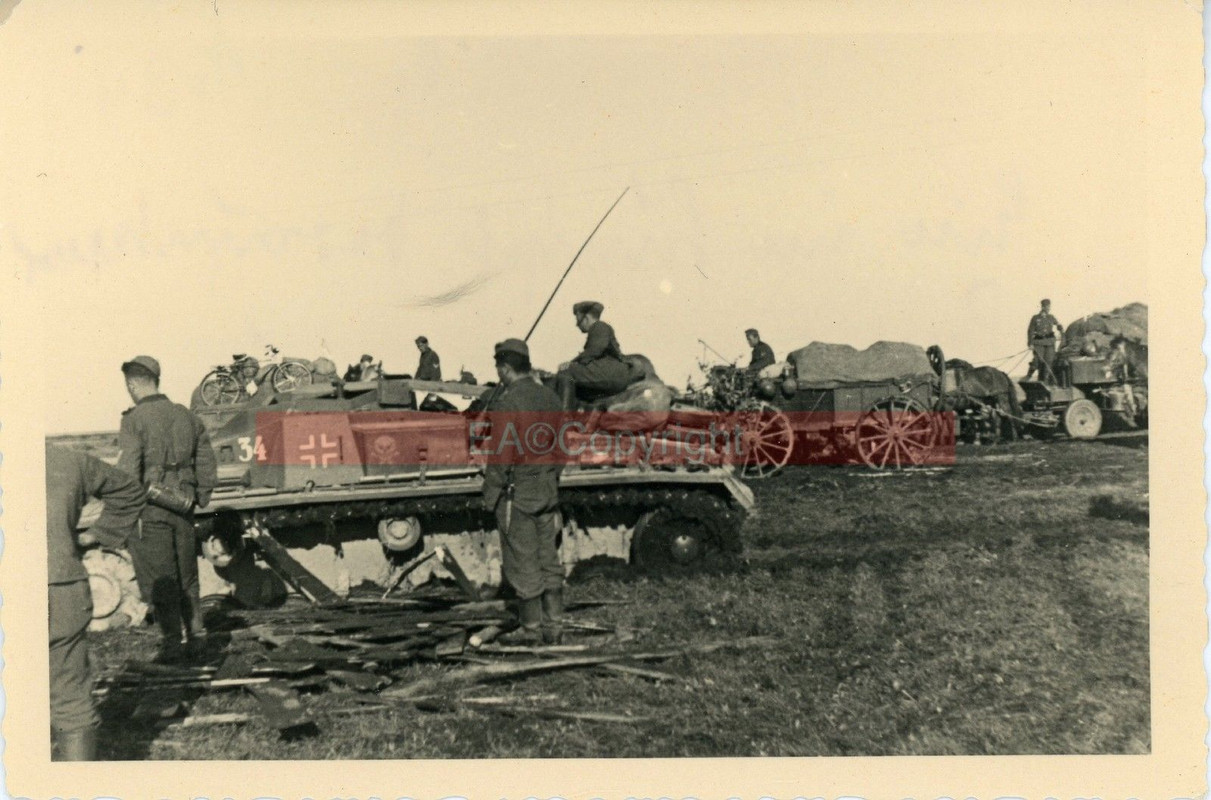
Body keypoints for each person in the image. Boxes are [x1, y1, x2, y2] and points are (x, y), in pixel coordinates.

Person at [46, 444, 146, 760]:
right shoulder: (67, 460)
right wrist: (95, 535)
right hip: (61, 587)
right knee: (70, 692)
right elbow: (130, 491)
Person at [116, 355, 218, 661]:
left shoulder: (134, 420)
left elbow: (128, 471)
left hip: (151, 509)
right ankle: (198, 638)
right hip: (183, 505)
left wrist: (124, 515)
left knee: (161, 579)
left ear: (133, 385)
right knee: (187, 574)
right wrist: (200, 495)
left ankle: (173, 645)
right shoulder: (186, 415)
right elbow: (205, 459)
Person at [482, 338, 565, 644]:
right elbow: (561, 450)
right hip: (546, 491)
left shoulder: (508, 402)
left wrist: (490, 496)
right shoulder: (550, 398)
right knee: (549, 560)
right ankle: (554, 631)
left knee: (523, 564)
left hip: (518, 496)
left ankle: (531, 633)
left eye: (498, 368)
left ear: (505, 369)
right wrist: (549, 478)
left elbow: (501, 458)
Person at [552, 301, 635, 410]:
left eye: (578, 320)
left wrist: (570, 364)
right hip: (613, 374)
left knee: (565, 372)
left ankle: (563, 419)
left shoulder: (599, 326)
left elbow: (594, 351)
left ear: (586, 318)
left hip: (610, 373)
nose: (577, 325)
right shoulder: (600, 328)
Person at [1026, 299, 1064, 383]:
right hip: (1039, 343)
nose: (1048, 308)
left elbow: (1058, 325)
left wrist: (1061, 330)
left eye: (1049, 306)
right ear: (1042, 307)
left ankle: (1045, 381)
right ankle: (1028, 376)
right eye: (1046, 306)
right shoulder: (1035, 318)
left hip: (1050, 342)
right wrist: (1030, 343)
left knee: (1049, 362)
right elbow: (1030, 331)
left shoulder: (1051, 317)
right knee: (1037, 360)